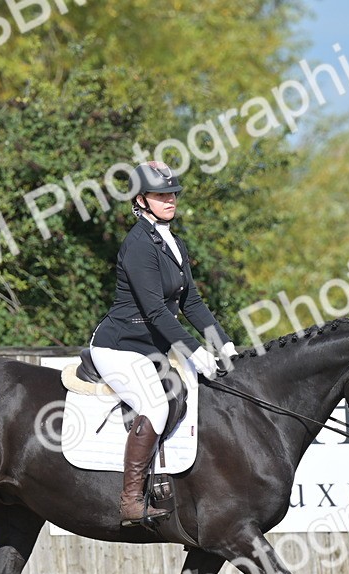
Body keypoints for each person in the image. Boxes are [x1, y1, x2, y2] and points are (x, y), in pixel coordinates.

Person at [89, 161, 238, 524]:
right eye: (161, 195)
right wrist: (196, 351)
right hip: (120, 346)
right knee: (155, 406)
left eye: (172, 193)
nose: (170, 200)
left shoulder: (174, 242)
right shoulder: (138, 244)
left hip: (153, 347)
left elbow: (193, 303)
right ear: (141, 200)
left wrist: (225, 344)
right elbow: (156, 311)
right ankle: (130, 501)